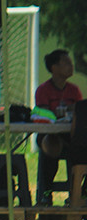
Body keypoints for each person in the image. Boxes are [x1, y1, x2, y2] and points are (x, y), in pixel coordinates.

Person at [34, 49, 83, 205]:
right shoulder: (43, 90)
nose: (71, 66)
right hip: (49, 135)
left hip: (70, 135)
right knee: (51, 147)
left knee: (81, 150)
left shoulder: (74, 90)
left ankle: (77, 194)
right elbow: (43, 115)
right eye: (66, 63)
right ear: (54, 68)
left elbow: (80, 114)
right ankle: (46, 193)